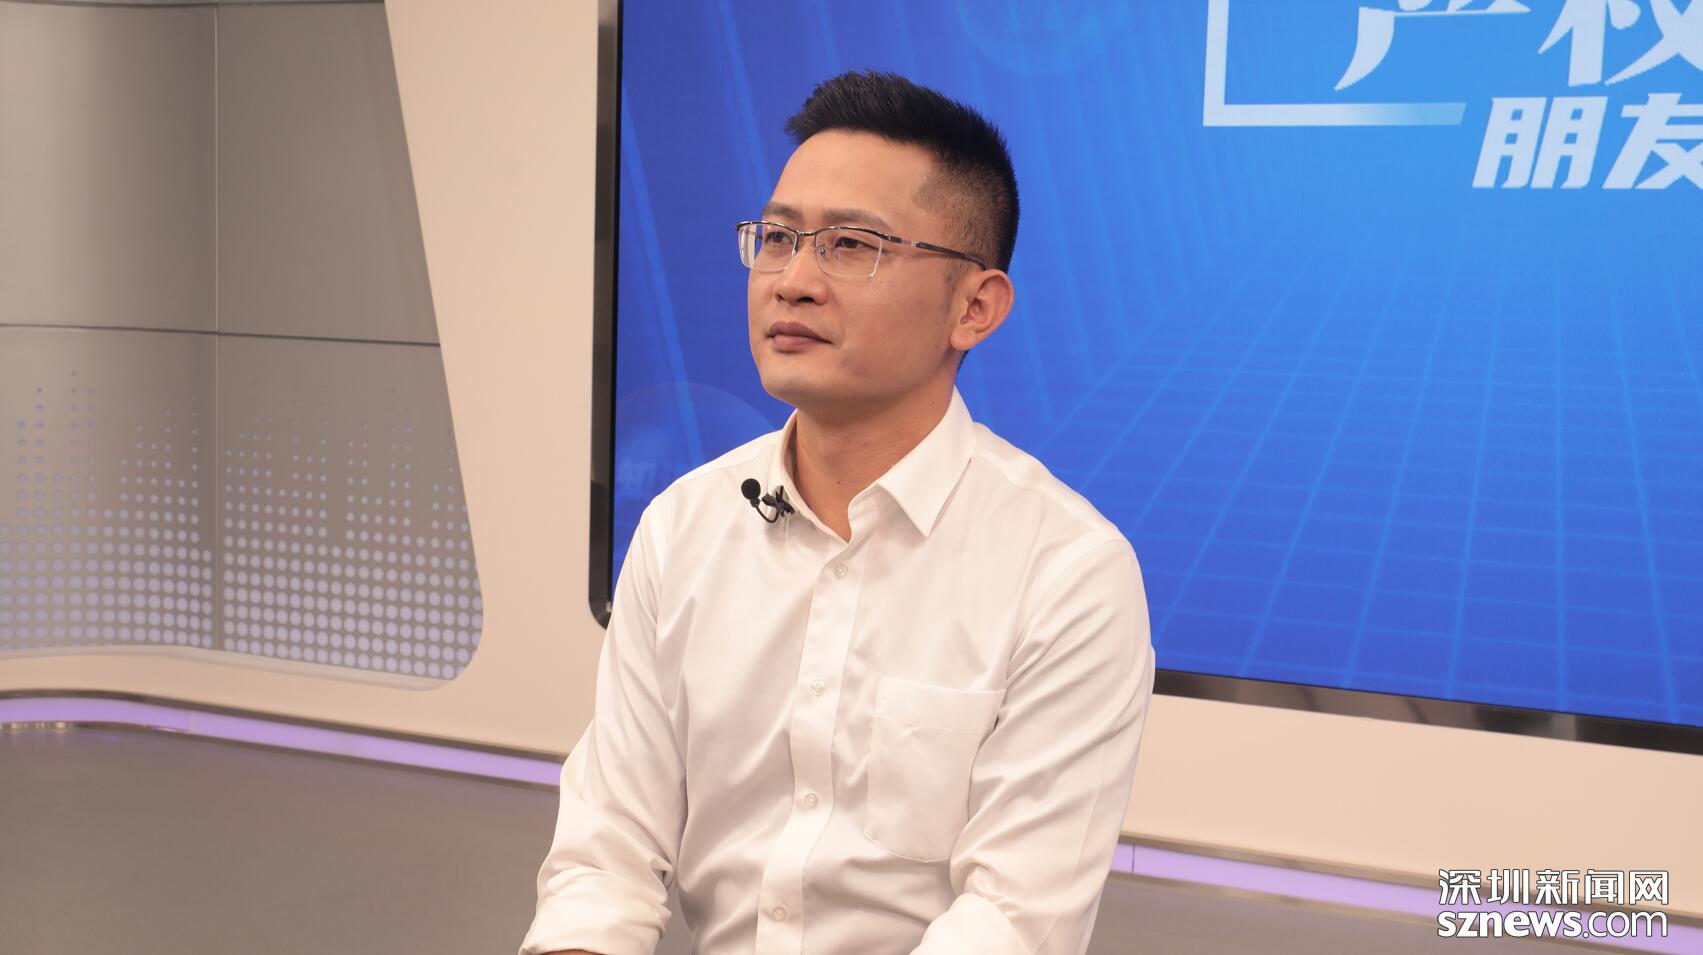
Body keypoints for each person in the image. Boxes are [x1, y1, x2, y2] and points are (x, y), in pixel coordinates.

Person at [521, 70, 1154, 955]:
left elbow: (1012, 920)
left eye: (852, 245)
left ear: (974, 307)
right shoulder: (682, 525)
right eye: (778, 238)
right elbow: (605, 856)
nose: (793, 281)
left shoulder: (1067, 570)